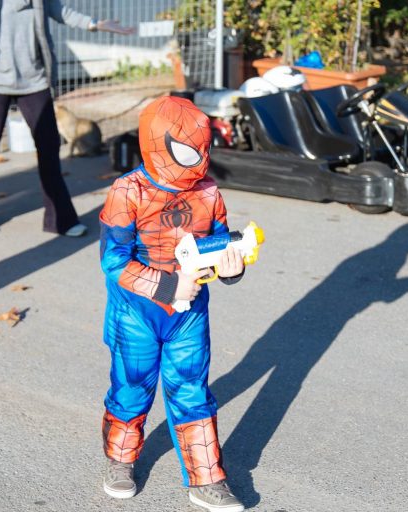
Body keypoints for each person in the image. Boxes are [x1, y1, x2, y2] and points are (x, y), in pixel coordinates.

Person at [98, 96, 246, 512]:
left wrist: (231, 266)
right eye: (187, 150)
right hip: (136, 313)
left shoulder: (208, 192)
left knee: (192, 390)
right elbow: (113, 260)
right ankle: (120, 459)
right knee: (132, 387)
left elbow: (219, 246)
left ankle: (207, 478)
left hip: (190, 314)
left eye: (202, 149)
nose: (197, 161)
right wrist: (167, 288)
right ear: (157, 142)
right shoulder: (128, 190)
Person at [0, 0, 134, 238]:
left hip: (34, 79)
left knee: (49, 146)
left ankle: (61, 220)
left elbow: (57, 10)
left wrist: (95, 24)